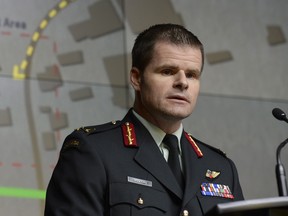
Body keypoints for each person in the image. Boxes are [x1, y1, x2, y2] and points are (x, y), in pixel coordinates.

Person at [45, 23, 244, 216]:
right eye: (168, 71)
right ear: (136, 78)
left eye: (192, 75)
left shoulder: (221, 167)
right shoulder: (92, 151)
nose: (183, 82)